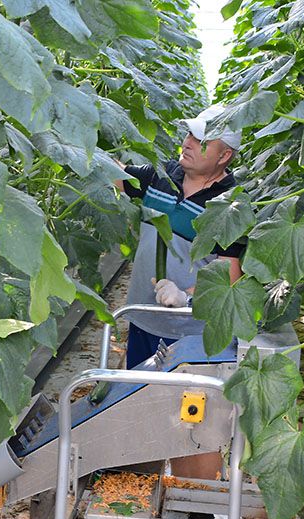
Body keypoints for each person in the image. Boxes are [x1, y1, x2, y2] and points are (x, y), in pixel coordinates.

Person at [115, 104, 243, 369]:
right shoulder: (159, 176)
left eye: (201, 141)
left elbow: (229, 279)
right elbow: (113, 173)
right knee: (136, 399)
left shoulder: (231, 206)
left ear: (224, 155)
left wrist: (186, 298)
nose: (188, 144)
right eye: (189, 135)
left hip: (191, 332)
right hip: (143, 318)